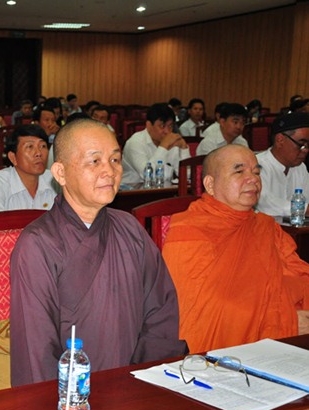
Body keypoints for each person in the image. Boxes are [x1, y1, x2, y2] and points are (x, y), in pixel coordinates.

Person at [10, 119, 187, 386]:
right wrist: (65, 401)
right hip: (71, 396)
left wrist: (146, 379)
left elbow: (160, 308)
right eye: (94, 161)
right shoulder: (37, 243)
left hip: (135, 385)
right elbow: (36, 349)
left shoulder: (129, 227)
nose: (109, 171)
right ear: (60, 173)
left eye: (115, 160)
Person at [162, 144, 309, 353]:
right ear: (210, 184)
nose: (253, 179)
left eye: (256, 172)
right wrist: (287, 321)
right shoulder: (190, 230)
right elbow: (203, 312)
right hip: (220, 357)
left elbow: (300, 276)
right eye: (239, 172)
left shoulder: (266, 227)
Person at [0, 124, 58, 214]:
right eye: (30, 147)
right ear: (13, 157)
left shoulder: (55, 180)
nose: (38, 153)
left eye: (43, 146)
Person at [121, 102, 189, 184]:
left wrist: (184, 149)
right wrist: (163, 147)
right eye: (162, 126)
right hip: (133, 189)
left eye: (170, 126)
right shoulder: (135, 143)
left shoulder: (172, 142)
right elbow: (149, 176)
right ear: (149, 125)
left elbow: (187, 175)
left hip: (163, 188)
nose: (167, 131)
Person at [256, 112, 309, 217]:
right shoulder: (258, 166)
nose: (306, 150)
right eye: (301, 145)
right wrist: (304, 209)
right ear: (280, 140)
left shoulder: (300, 167)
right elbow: (263, 203)